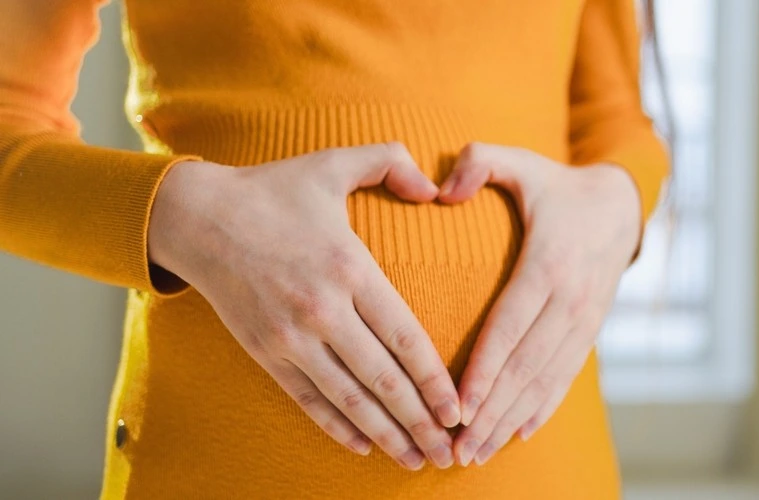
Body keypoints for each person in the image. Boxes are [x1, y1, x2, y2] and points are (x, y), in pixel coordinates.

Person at [0, 0, 669, 498]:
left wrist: (617, 199)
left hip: (544, 470)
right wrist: (187, 215)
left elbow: (613, 119)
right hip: (228, 468)